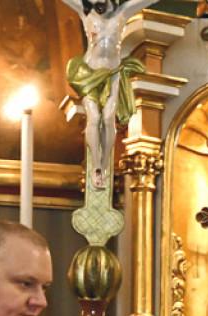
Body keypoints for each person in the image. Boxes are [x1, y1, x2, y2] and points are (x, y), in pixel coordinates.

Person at [60, 0, 156, 189]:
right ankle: (96, 167)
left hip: (113, 73)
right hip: (88, 73)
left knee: (108, 118)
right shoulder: (85, 13)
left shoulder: (123, 13)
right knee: (94, 118)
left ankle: (104, 167)